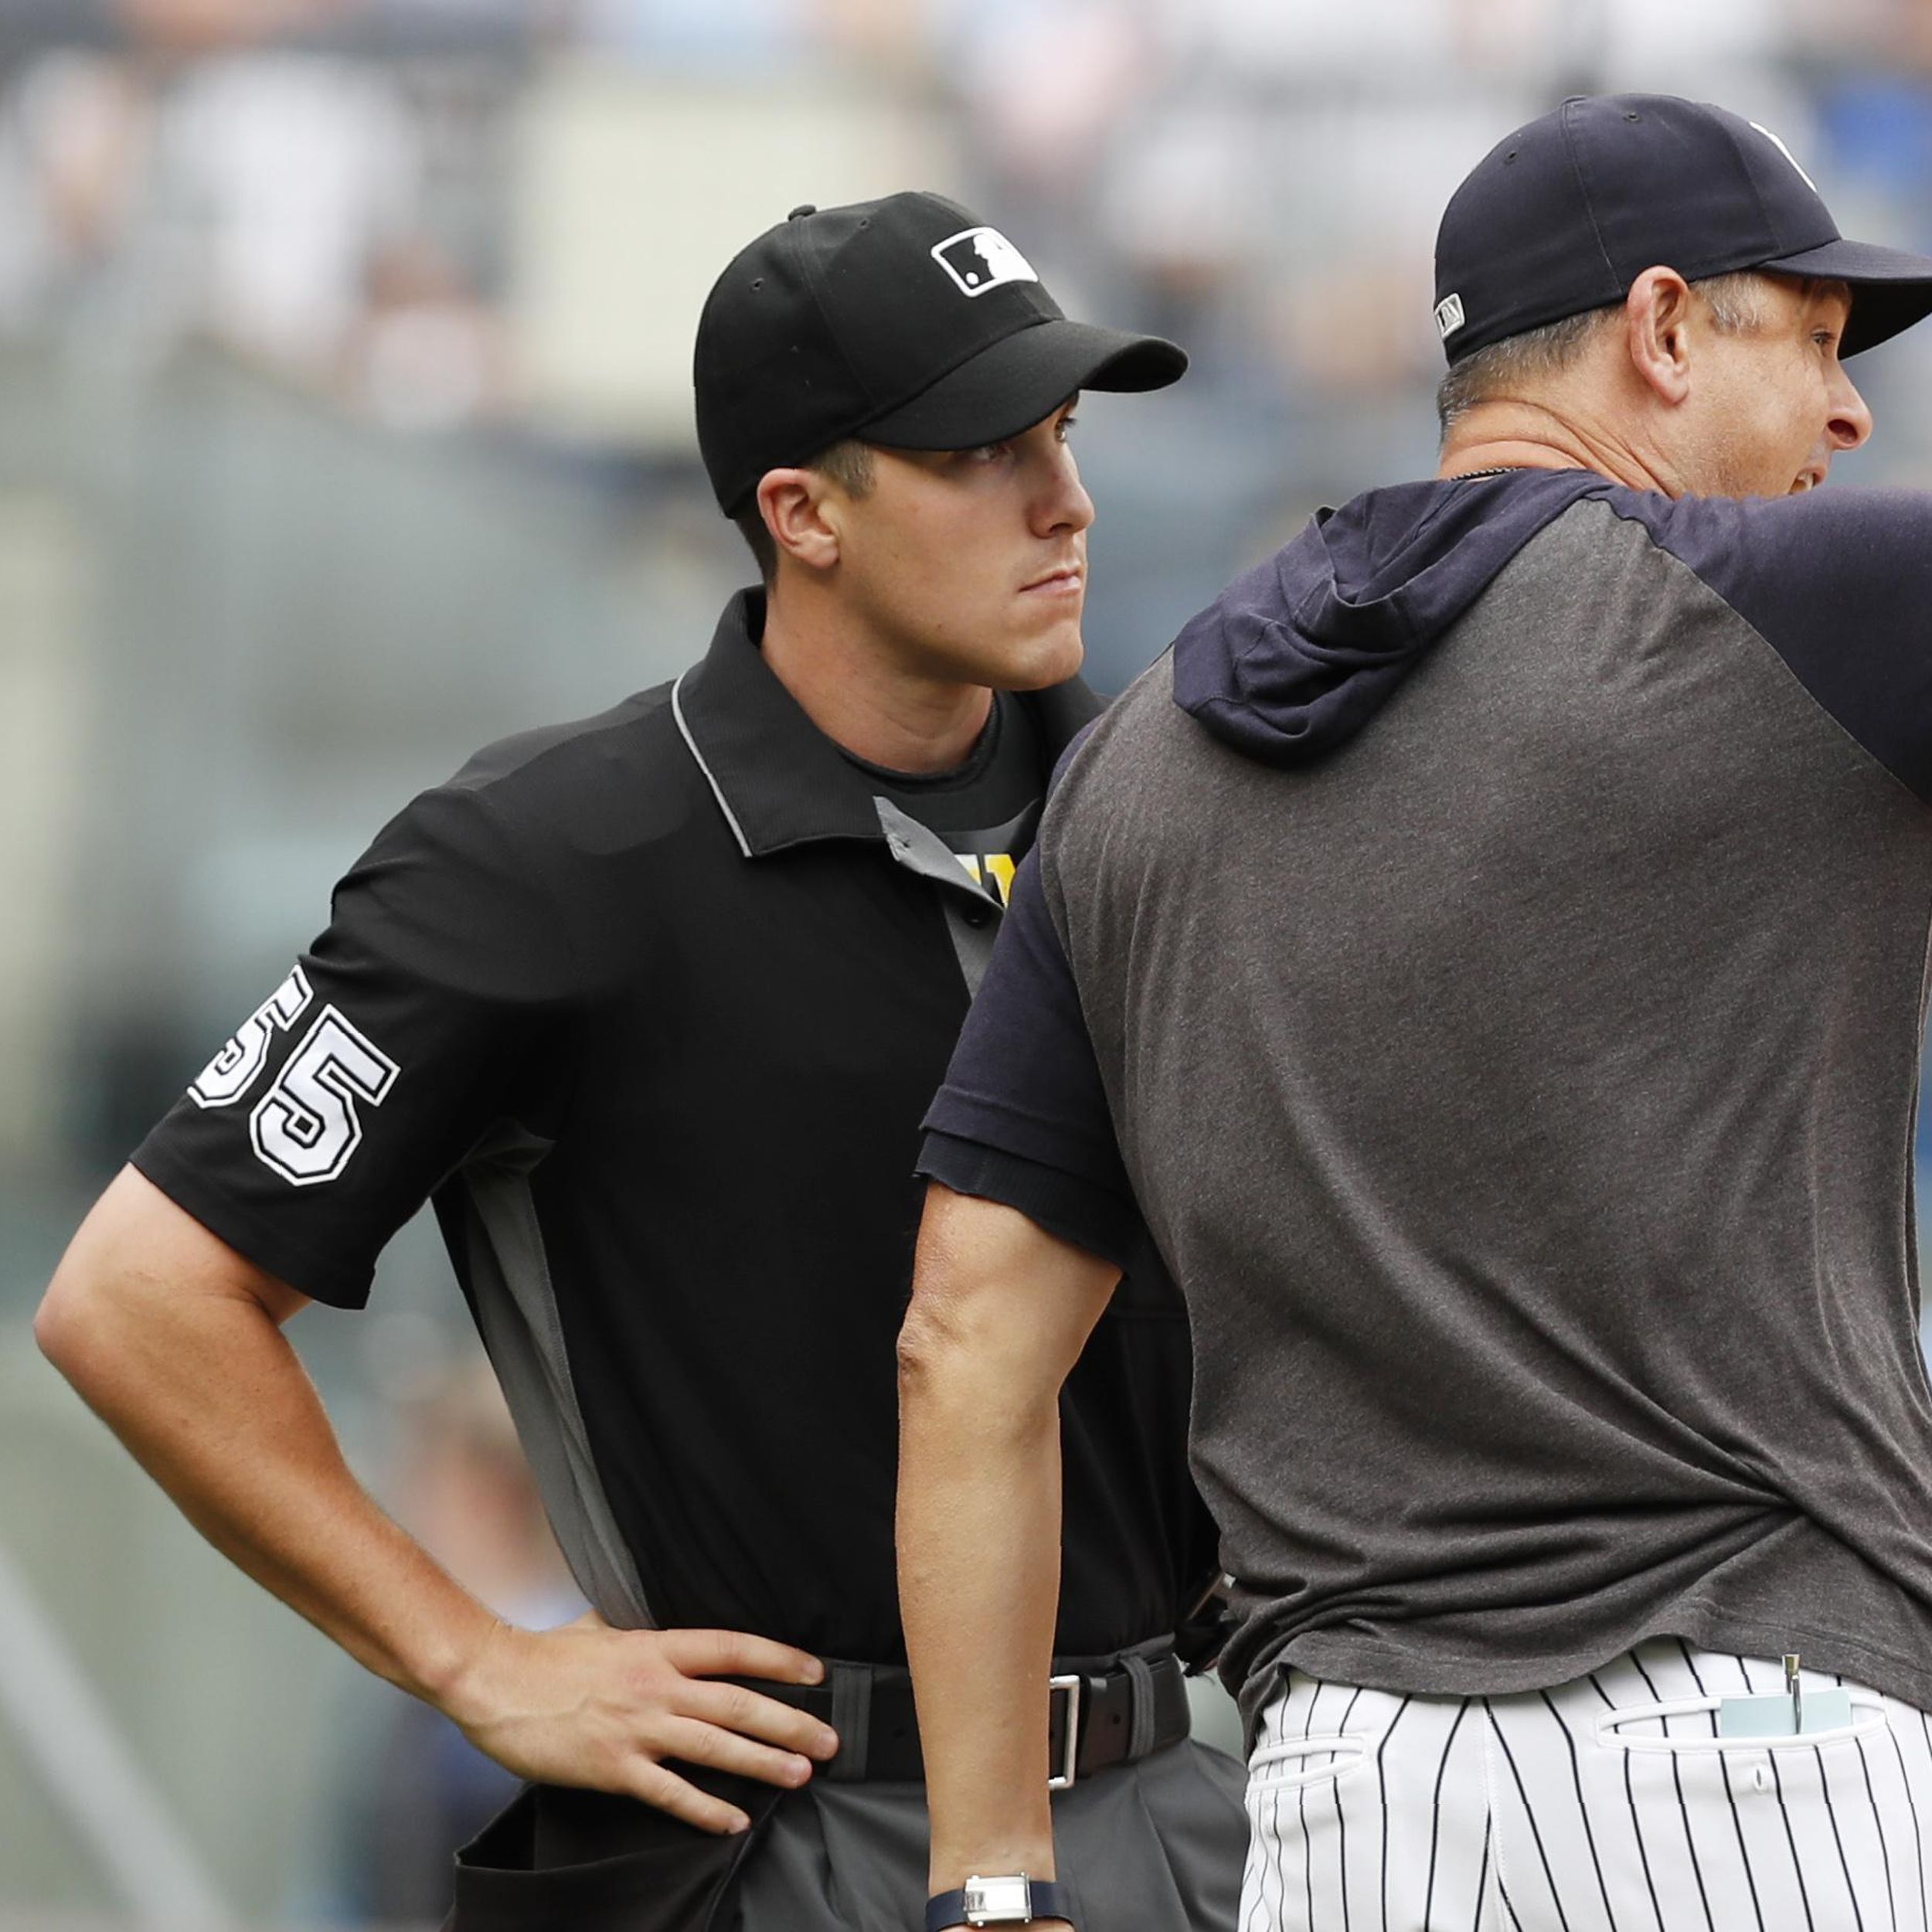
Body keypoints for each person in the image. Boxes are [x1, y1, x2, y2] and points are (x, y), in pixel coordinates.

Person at [35, 192, 1249, 1932]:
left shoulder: (1161, 805)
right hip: (781, 1837)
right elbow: (135, 1297)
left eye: (1061, 434)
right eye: (985, 451)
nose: (1065, 500)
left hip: (1184, 1803)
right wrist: (472, 1654)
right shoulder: (549, 859)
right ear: (800, 511)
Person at [896, 96, 1932, 1931]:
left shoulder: (1134, 760)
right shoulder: (1793, 610)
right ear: (1665, 327)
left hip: (1347, 1797)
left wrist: (990, 1882)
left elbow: (965, 1346)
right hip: (1748, 1731)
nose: (1849, 416)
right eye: (1818, 344)